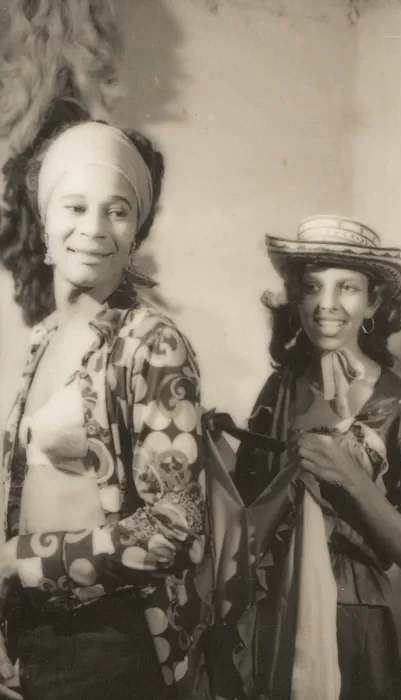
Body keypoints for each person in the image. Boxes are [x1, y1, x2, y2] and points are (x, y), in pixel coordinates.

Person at [0, 120, 208, 700]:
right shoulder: (44, 337)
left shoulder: (152, 343)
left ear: (136, 230)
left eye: (117, 211)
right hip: (32, 634)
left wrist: (20, 562)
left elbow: (177, 528)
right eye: (75, 207)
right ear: (45, 221)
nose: (93, 229)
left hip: (112, 641)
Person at [233, 216, 401, 700]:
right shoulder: (279, 389)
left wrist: (351, 477)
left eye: (347, 287)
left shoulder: (399, 407)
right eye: (312, 287)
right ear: (297, 298)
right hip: (271, 609)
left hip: (353, 620)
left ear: (373, 302)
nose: (326, 304)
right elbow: (245, 511)